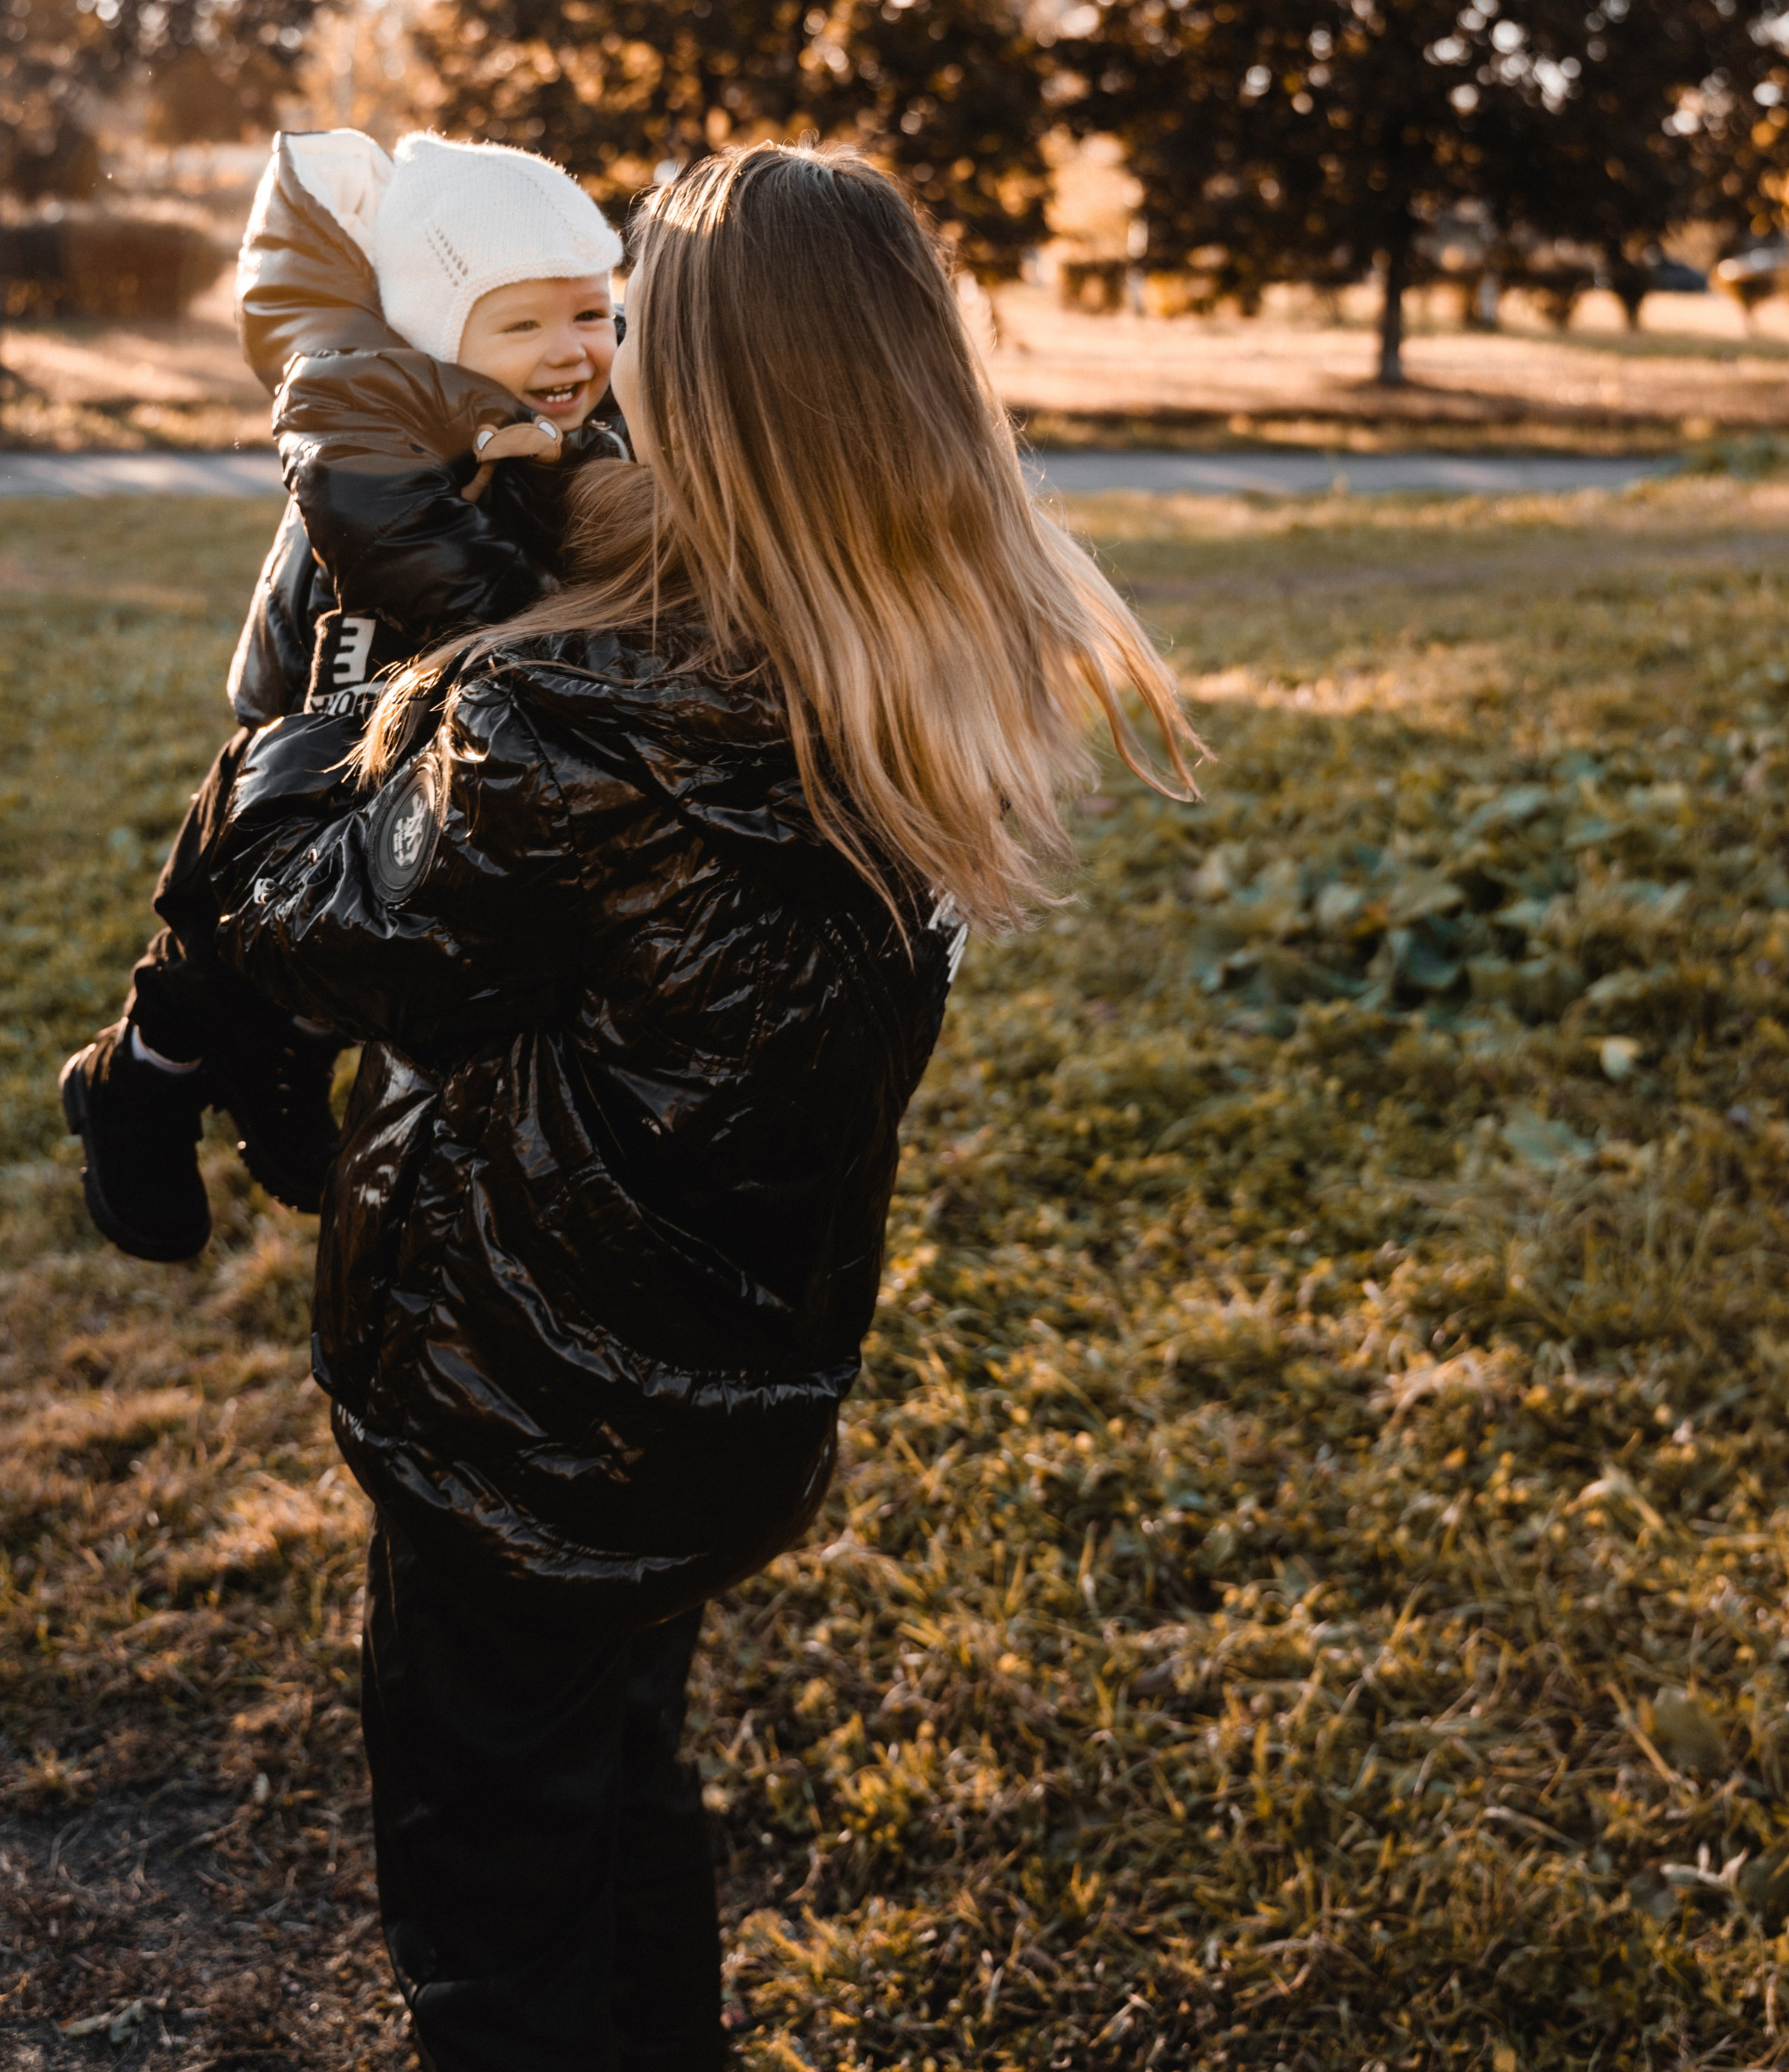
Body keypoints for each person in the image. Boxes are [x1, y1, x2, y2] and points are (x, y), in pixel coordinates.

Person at [189, 144, 1199, 2072]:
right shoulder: (913, 655)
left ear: (704, 399)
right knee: (623, 1797)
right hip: (721, 1396)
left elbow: (293, 923)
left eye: (634, 325)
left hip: (507, 1421)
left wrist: (319, 693)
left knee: (495, 1899)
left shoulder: (573, 734)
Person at [61, 126, 626, 1263]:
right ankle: (142, 1083)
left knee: (374, 917)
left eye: (592, 314)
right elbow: (429, 560)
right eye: (523, 323)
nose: (571, 349)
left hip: (409, 710)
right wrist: (539, 628)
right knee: (245, 923)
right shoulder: (359, 404)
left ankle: (279, 1059)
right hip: (321, 716)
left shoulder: (537, 415)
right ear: (432, 330)